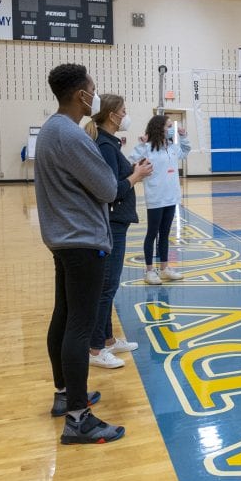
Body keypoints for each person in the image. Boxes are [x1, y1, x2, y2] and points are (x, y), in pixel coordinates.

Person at [36, 63, 125, 444]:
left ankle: (64, 396)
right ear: (80, 95)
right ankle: (78, 418)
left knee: (64, 318)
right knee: (78, 327)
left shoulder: (49, 130)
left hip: (64, 239)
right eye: (92, 88)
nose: (95, 93)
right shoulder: (71, 135)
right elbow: (108, 187)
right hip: (82, 242)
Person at [84, 94, 152, 369]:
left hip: (117, 223)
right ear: (112, 115)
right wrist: (136, 176)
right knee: (107, 286)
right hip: (112, 224)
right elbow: (111, 190)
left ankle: (108, 340)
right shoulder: (105, 144)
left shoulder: (110, 143)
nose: (126, 115)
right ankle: (95, 348)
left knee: (109, 286)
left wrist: (135, 170)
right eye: (124, 110)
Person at [133, 115, 192, 284]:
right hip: (155, 197)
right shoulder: (147, 147)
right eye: (168, 126)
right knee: (152, 233)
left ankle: (165, 268)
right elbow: (131, 160)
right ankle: (150, 271)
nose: (171, 128)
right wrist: (141, 144)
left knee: (165, 234)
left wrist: (183, 136)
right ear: (159, 128)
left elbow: (185, 151)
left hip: (171, 197)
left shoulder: (172, 147)